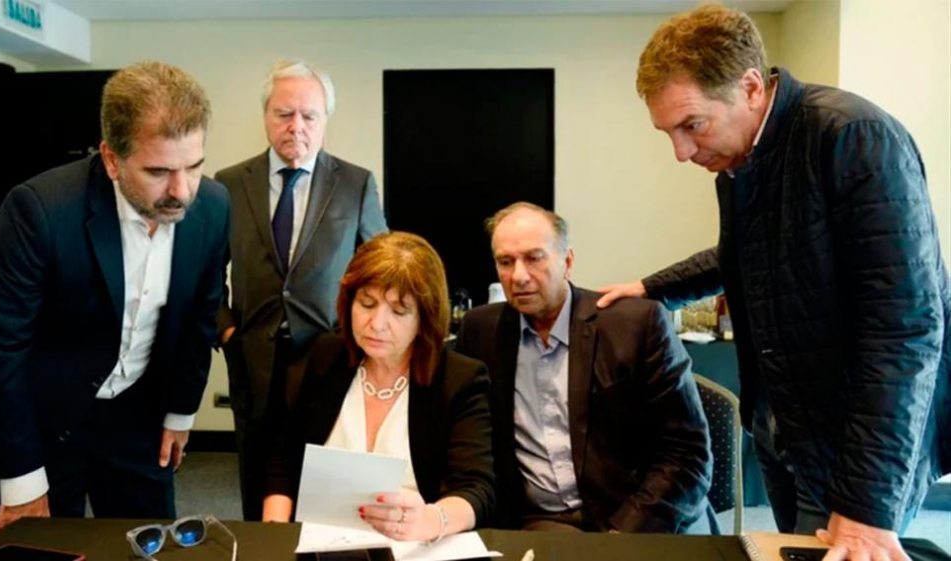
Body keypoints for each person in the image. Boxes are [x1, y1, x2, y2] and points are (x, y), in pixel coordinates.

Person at [598, 5, 951, 559]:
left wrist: (867, 504)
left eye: (692, 126)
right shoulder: (742, 159)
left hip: (853, 445)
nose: (681, 152)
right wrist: (653, 287)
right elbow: (742, 254)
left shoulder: (854, 137)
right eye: (669, 133)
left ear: (750, 88)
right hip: (784, 426)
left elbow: (904, 330)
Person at [0, 61, 230, 533]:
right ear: (111, 159)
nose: (182, 191)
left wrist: (181, 411)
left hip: (137, 414)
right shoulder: (38, 212)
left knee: (149, 544)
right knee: (47, 547)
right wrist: (21, 481)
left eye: (194, 166)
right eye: (159, 171)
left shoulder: (215, 207)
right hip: (40, 420)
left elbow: (200, 316)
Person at [456, 203, 712, 534]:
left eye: (534, 258)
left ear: (567, 261)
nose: (518, 276)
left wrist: (623, 536)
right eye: (505, 262)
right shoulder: (481, 331)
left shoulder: (636, 324)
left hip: (640, 512)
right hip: (545, 520)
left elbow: (686, 455)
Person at [214, 59, 387, 521]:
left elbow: (380, 271)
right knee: (258, 492)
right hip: (253, 362)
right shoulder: (229, 185)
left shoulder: (355, 183)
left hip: (330, 361)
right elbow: (206, 272)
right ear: (265, 116)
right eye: (284, 114)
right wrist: (228, 332)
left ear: (324, 119)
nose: (296, 126)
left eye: (309, 115)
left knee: (325, 494)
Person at [263, 231, 494, 541]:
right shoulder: (326, 357)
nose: (376, 324)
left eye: (399, 311)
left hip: (413, 545)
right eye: (367, 304)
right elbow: (284, 462)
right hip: (320, 540)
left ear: (424, 319)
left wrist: (431, 519)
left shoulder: (459, 379)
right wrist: (275, 536)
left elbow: (476, 488)